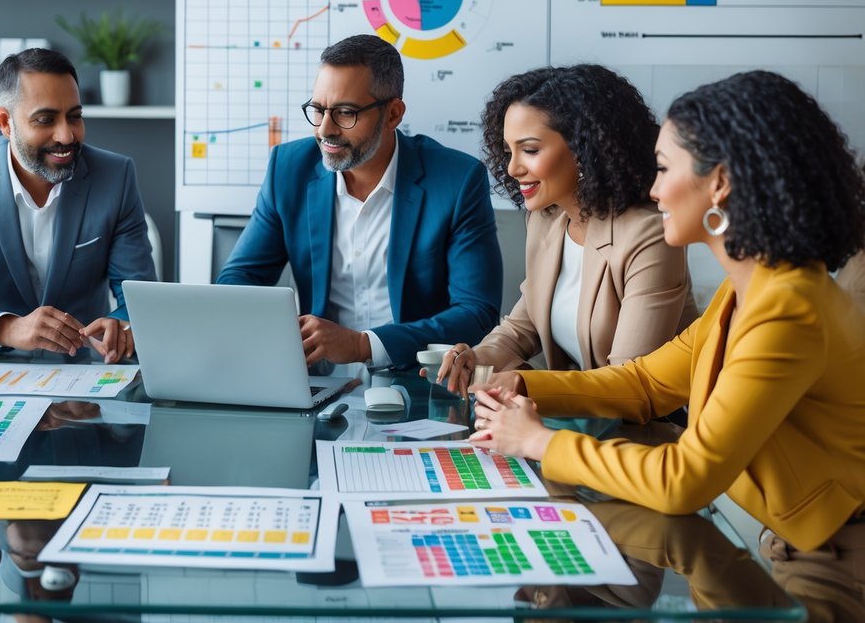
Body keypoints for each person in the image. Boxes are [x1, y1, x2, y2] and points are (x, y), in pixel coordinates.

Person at [470, 70, 865, 620]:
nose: (653, 190)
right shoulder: (747, 290)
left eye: (663, 169)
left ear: (719, 183)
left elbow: (685, 480)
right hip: (782, 547)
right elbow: (647, 382)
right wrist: (525, 382)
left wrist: (539, 441)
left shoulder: (787, 310)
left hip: (832, 570)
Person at [216, 34, 502, 369]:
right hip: (313, 378)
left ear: (393, 114)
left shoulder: (457, 180)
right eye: (318, 110)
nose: (325, 129)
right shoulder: (288, 169)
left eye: (345, 113)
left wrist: (362, 345)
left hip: (416, 378)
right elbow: (239, 280)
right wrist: (281, 334)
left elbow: (477, 312)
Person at [430, 65, 697, 396]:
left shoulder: (649, 235)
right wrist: (474, 358)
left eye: (530, 150)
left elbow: (628, 382)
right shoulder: (547, 219)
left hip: (651, 420)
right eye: (509, 151)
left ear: (584, 149)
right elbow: (522, 328)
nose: (512, 168)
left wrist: (526, 383)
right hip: (583, 414)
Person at [0, 48, 156, 364]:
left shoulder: (115, 176)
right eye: (45, 120)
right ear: (5, 122)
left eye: (75, 116)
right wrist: (8, 328)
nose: (66, 135)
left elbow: (140, 298)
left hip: (88, 371)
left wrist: (123, 323)